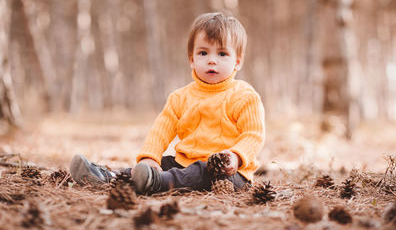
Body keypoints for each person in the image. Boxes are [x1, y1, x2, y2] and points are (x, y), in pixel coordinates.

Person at [70, 12, 265, 195]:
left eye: (222, 54)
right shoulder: (180, 97)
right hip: (184, 163)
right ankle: (110, 178)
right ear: (192, 60)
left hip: (229, 173)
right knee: (164, 162)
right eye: (203, 53)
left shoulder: (244, 96)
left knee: (201, 170)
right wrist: (150, 157)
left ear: (237, 62)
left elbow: (253, 135)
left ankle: (157, 182)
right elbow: (160, 131)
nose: (212, 61)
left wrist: (236, 156)